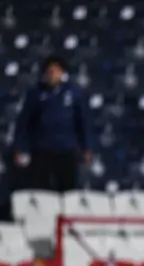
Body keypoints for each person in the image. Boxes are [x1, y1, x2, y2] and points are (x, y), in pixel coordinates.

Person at [13, 55, 93, 192]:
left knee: (68, 189)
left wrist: (87, 147)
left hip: (67, 149)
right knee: (41, 190)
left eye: (56, 71)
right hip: (42, 149)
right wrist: (19, 147)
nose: (52, 75)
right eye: (49, 71)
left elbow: (83, 122)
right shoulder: (35, 94)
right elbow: (24, 122)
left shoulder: (74, 94)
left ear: (62, 73)